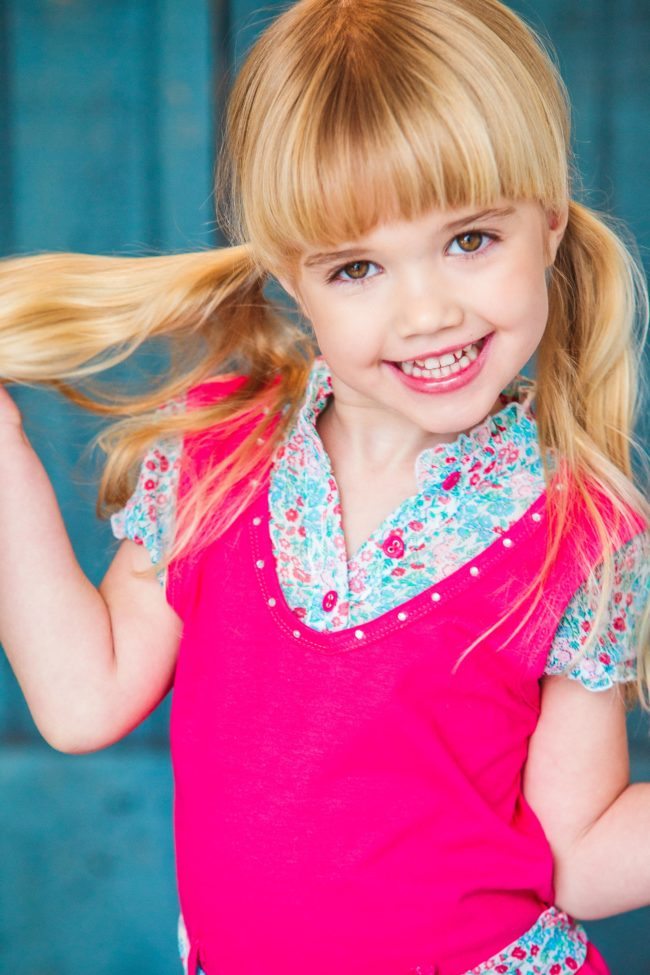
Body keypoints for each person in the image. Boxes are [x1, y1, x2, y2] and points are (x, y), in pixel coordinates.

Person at [0, 0, 649, 972]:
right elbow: (82, 699)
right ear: (291, 281)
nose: (426, 310)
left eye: (469, 239)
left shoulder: (579, 536)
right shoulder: (221, 461)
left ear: (547, 223)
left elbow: (573, 857)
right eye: (356, 267)